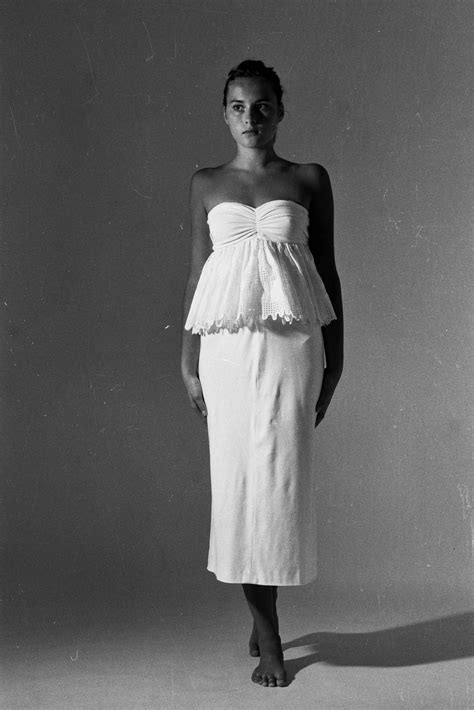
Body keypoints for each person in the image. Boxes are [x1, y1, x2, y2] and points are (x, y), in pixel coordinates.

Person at [181, 59, 343, 688]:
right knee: (240, 484)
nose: (251, 117)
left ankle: (263, 613)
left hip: (292, 348)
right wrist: (187, 359)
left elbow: (328, 272)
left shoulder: (309, 178)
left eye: (262, 106)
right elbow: (198, 274)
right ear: (224, 114)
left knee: (278, 484)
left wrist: (337, 359)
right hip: (225, 352)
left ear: (280, 110)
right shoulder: (205, 182)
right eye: (238, 107)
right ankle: (268, 633)